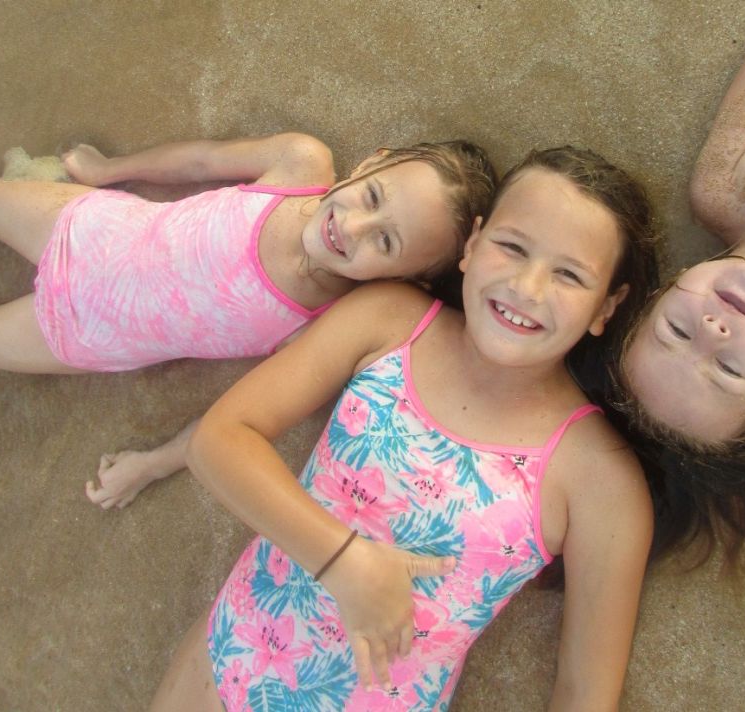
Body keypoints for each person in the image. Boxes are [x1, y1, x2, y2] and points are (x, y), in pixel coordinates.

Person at [149, 146, 659, 711]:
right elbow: (219, 439)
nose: (527, 288)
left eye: (569, 275)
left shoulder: (602, 481)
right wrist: (344, 563)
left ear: (605, 308)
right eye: (512, 247)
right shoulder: (390, 320)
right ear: (471, 245)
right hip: (230, 655)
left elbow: (585, 693)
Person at [0, 133, 495, 374]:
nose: (354, 226)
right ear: (374, 161)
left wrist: (152, 464)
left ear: (405, 279)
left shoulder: (326, 322)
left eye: (386, 243)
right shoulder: (301, 164)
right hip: (86, 228)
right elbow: (200, 161)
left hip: (87, 335)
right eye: (372, 196)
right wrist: (109, 172)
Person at [613, 0, 745, 568]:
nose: (711, 329)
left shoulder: (719, 190)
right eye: (729, 369)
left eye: (676, 329)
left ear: (667, 289)